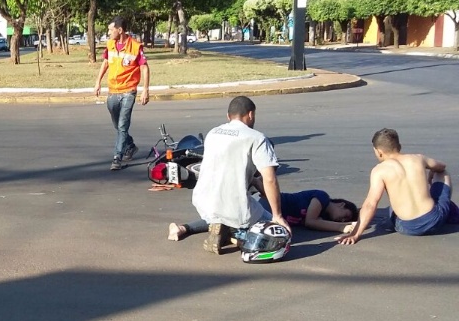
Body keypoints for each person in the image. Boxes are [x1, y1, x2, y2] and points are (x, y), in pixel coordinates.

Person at [191, 95, 291, 254]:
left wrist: (254, 182)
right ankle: (238, 235)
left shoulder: (213, 133)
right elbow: (270, 178)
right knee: (277, 233)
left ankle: (221, 226)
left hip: (204, 203)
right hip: (235, 207)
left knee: (231, 212)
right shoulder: (256, 138)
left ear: (228, 116)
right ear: (251, 114)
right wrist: (277, 216)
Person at [338, 128, 457, 244]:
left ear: (379, 152)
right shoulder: (417, 158)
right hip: (434, 220)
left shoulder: (379, 170)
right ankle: (454, 215)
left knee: (393, 207)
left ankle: (390, 223)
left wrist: (356, 234)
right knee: (443, 174)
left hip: (408, 227)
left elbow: (370, 203)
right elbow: (442, 166)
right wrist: (432, 171)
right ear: (399, 146)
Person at [169, 189, 359, 241]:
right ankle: (229, 235)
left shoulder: (324, 215)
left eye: (341, 221)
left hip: (269, 214)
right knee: (260, 233)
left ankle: (184, 228)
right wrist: (343, 228)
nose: (339, 219)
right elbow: (311, 222)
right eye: (343, 215)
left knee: (231, 221)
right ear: (341, 203)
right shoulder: (322, 197)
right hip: (268, 205)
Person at [93, 16, 151, 171]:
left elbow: (144, 67)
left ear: (120, 30)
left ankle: (117, 157)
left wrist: (145, 89)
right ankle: (130, 145)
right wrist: (98, 82)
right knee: (117, 125)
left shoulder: (135, 46)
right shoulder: (110, 44)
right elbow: (105, 63)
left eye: (111, 29)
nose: (109, 32)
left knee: (123, 125)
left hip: (128, 92)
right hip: (112, 91)